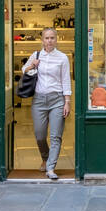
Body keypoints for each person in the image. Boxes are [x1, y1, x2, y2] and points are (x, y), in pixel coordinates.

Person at [21, 27, 71, 180]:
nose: (49, 41)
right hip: (39, 100)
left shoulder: (62, 58)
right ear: (42, 40)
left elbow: (65, 80)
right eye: (46, 38)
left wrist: (67, 102)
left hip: (57, 100)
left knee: (56, 136)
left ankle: (50, 167)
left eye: (52, 38)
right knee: (39, 135)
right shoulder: (36, 55)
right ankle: (45, 157)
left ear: (57, 39)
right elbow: (24, 70)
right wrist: (32, 65)